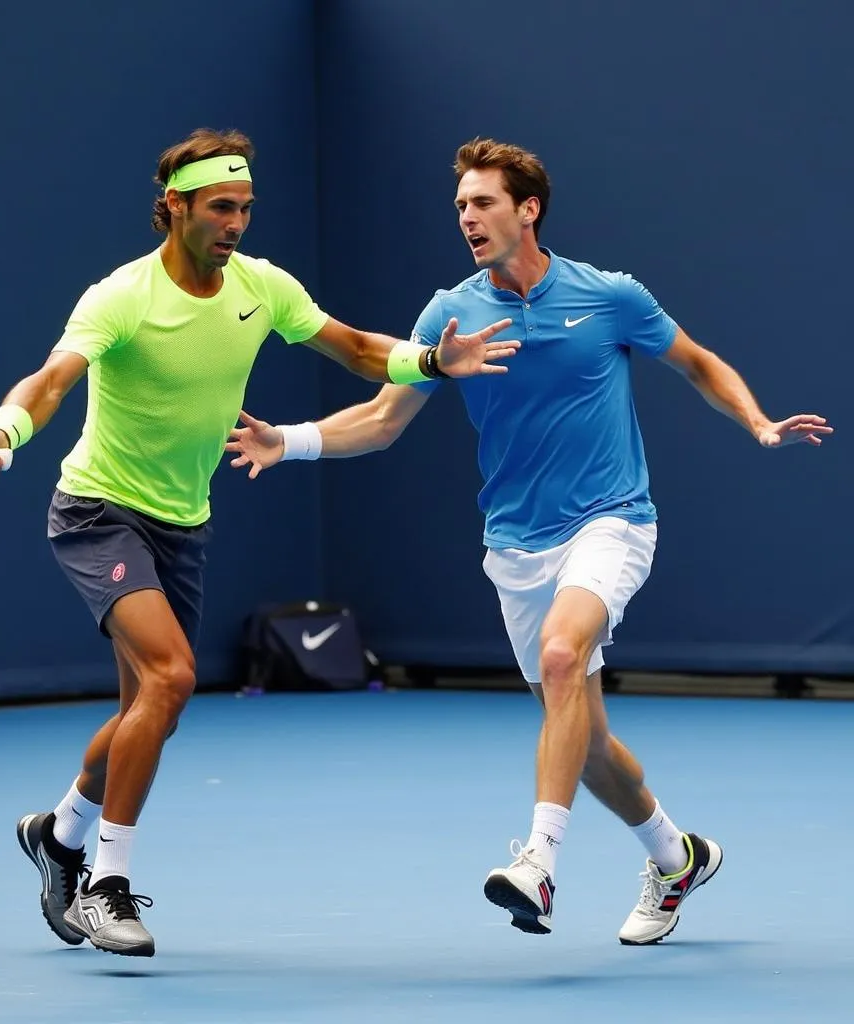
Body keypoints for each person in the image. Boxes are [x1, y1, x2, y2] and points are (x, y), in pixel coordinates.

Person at [225, 136, 833, 945]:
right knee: (584, 741)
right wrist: (289, 440)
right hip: (514, 544)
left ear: (528, 209)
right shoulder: (449, 312)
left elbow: (695, 362)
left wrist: (756, 421)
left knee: (560, 658)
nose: (467, 218)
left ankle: (538, 865)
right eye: (460, 207)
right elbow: (380, 418)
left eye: (482, 203)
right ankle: (676, 856)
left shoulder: (611, 295)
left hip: (612, 520)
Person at [0, 127, 518, 958]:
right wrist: (7, 429)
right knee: (174, 677)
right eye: (222, 207)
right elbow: (50, 381)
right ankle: (107, 883)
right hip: (97, 511)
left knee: (148, 710)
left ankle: (60, 833)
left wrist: (434, 361)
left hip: (182, 520)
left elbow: (359, 349)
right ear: (175, 207)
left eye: (247, 207)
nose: (238, 223)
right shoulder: (120, 296)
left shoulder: (261, 286)